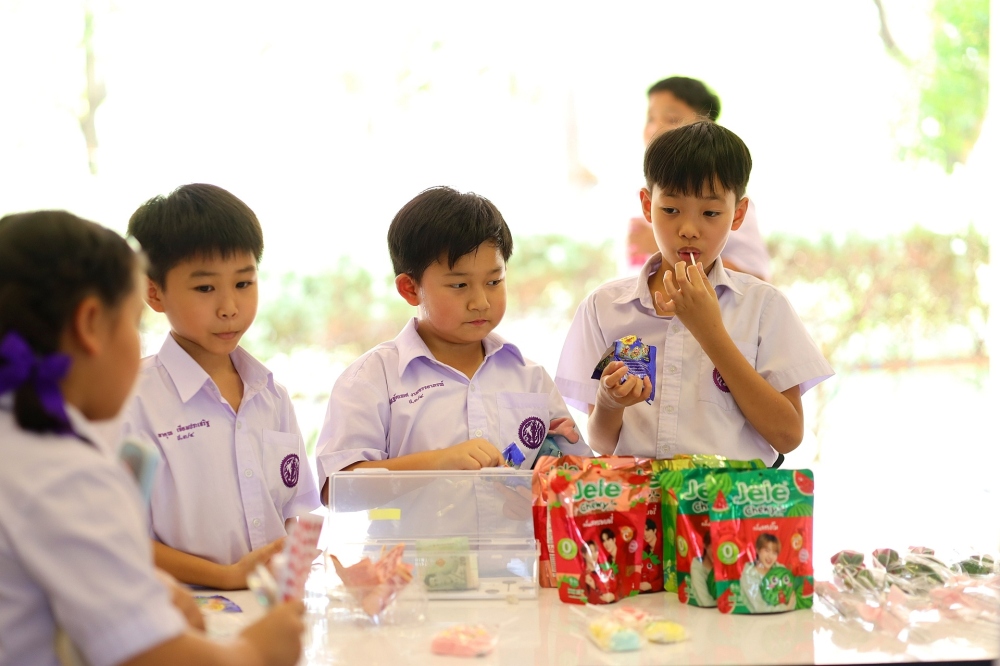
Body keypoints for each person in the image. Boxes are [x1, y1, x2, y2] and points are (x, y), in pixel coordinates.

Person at [0, 211, 304, 666]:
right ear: (90, 324)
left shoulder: (22, 444)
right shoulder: (63, 473)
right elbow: (148, 654)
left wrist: (145, 587)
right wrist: (255, 651)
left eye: (244, 282)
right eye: (134, 321)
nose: (228, 306)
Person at [556, 121, 833, 465]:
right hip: (641, 497)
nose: (688, 229)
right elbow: (602, 443)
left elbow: (787, 436)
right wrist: (610, 402)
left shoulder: (764, 306)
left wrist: (708, 330)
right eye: (670, 210)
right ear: (647, 204)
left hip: (730, 497)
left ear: (738, 214)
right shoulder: (604, 308)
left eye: (711, 213)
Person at [315, 186, 590, 500]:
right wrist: (438, 463)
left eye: (494, 281)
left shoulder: (530, 377)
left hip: (517, 535)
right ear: (410, 289)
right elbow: (335, 488)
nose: (480, 302)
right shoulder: (373, 378)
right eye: (459, 285)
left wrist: (544, 493)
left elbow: (578, 479)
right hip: (411, 536)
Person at [120, 184, 321, 589]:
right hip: (181, 610)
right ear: (154, 292)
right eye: (205, 288)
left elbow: (296, 511)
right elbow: (119, 536)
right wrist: (225, 577)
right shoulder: (130, 401)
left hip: (270, 606)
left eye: (244, 284)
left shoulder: (272, 395)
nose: (229, 307)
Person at [627, 76, 772, 281]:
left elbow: (755, 277)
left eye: (672, 119)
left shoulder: (723, 198)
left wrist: (661, 248)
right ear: (647, 203)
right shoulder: (645, 191)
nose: (654, 128)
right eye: (650, 118)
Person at [740, 534, 796, 612]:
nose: (770, 556)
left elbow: (791, 596)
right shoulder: (749, 575)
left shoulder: (780, 569)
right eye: (767, 551)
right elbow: (760, 608)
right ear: (757, 550)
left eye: (774, 553)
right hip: (755, 618)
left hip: (784, 617)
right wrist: (786, 608)